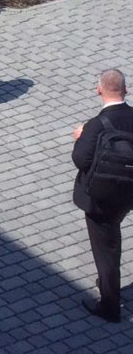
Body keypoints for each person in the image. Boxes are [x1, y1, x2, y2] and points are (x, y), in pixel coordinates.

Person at [71, 68, 133, 323]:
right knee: (112, 234)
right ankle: (108, 281)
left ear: (99, 91)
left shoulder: (96, 125)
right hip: (129, 193)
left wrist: (80, 138)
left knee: (105, 248)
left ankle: (110, 306)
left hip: (101, 197)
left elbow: (80, 159)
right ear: (125, 90)